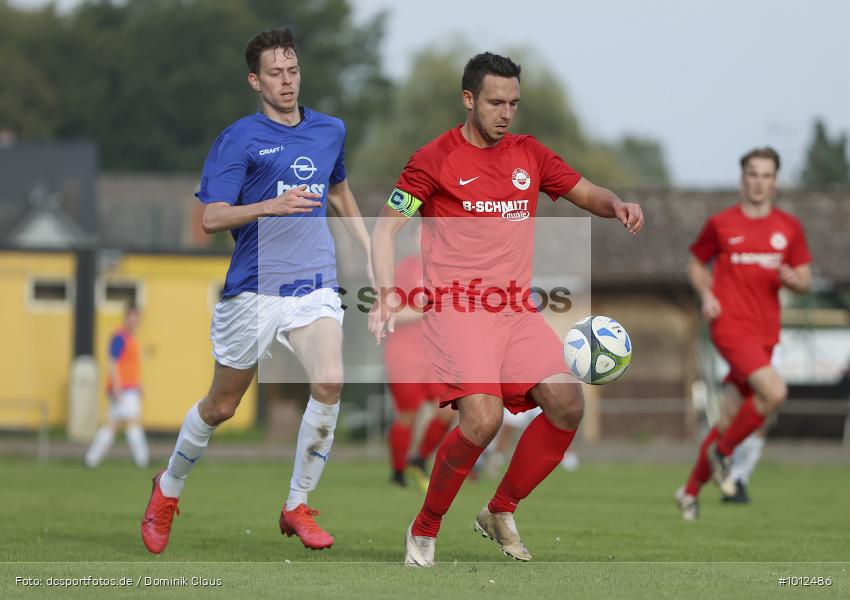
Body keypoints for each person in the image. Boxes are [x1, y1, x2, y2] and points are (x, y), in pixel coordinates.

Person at [369, 52, 643, 566]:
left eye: (514, 103)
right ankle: (424, 528)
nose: (505, 112)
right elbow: (386, 227)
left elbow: (586, 191)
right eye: (495, 102)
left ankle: (499, 510)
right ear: (468, 99)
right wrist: (386, 292)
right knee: (483, 419)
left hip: (514, 311)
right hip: (455, 310)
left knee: (567, 404)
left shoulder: (529, 155)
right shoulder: (433, 159)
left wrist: (617, 205)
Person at [141, 28, 371, 554]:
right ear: (255, 80)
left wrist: (368, 250)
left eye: (292, 70)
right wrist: (269, 205)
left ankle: (297, 504)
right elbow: (211, 217)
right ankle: (168, 489)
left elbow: (338, 190)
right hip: (253, 289)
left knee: (331, 380)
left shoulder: (330, 129)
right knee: (221, 405)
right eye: (275, 73)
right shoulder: (239, 138)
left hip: (313, 283)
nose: (286, 82)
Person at [676, 147, 811, 521]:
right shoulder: (721, 224)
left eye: (767, 175)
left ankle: (688, 492)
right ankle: (724, 456)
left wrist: (794, 279)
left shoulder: (789, 228)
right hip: (730, 328)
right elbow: (695, 265)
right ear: (742, 178)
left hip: (767, 334)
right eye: (753, 173)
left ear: (776, 182)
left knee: (729, 420)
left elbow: (805, 279)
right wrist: (706, 294)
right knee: (776, 392)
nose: (759, 181)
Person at [384, 249, 454, 490]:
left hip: (435, 355)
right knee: (407, 414)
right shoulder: (407, 268)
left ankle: (419, 459)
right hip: (405, 355)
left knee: (449, 408)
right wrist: (426, 309)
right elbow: (390, 312)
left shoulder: (448, 270)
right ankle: (398, 472)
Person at [85, 304, 149, 469]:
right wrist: (116, 386)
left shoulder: (132, 338)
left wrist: (138, 384)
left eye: (137, 317)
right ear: (126, 318)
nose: (135, 320)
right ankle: (143, 461)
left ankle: (91, 460)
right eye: (132, 316)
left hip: (130, 387)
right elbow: (113, 362)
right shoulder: (120, 337)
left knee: (112, 424)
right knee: (132, 422)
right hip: (123, 388)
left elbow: (131, 365)